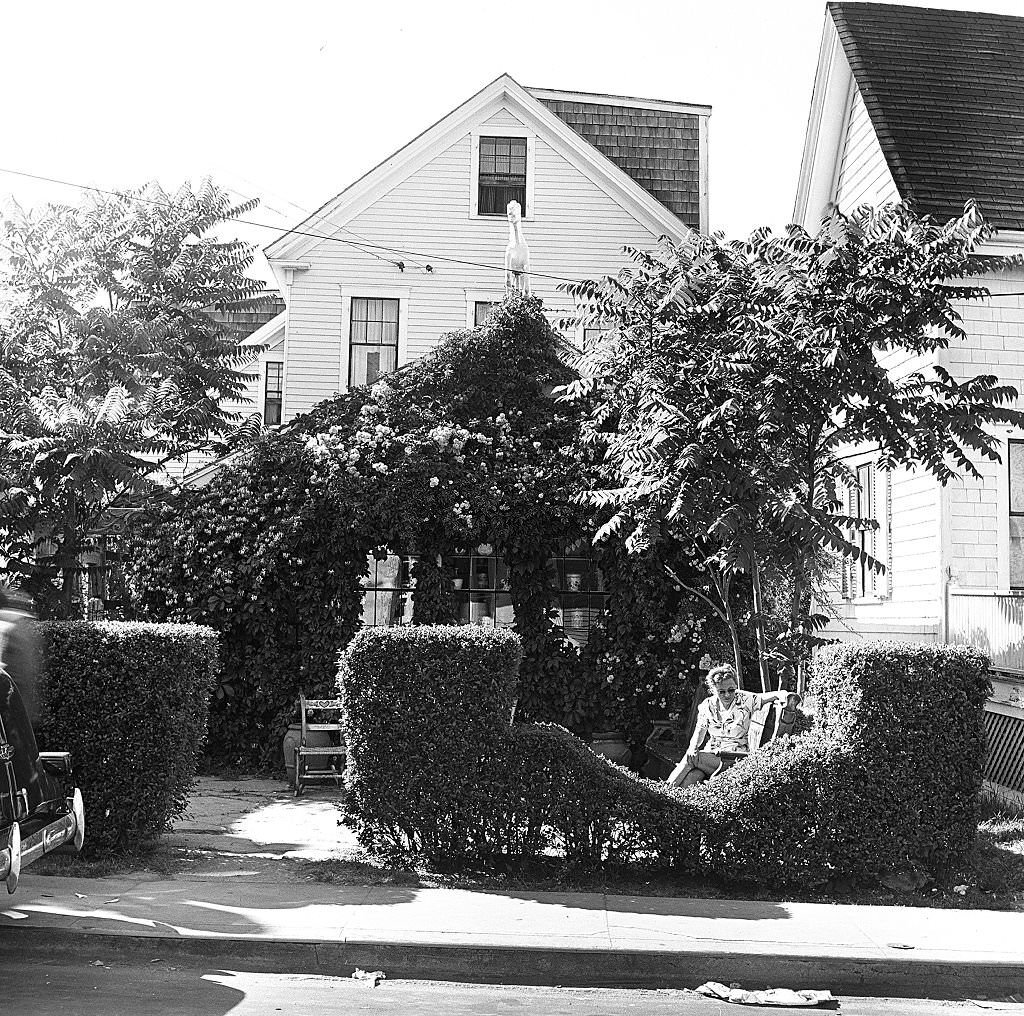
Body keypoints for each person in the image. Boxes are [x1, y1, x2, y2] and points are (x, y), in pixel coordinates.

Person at [666, 664, 800, 789]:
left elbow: (766, 696)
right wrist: (693, 748)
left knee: (692, 759)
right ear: (714, 690)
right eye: (721, 691)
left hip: (735, 759)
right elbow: (698, 733)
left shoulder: (745, 700)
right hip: (712, 756)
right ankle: (674, 809)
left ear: (735, 686)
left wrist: (783, 695)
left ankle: (663, 793)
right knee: (693, 776)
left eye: (731, 690)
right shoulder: (707, 705)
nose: (727, 695)